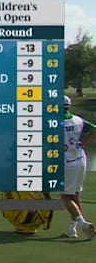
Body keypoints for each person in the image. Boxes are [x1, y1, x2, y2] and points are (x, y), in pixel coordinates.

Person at [61, 94, 96, 239]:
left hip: (65, 162)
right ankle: (72, 229)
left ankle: (83, 224)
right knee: (76, 194)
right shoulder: (78, 120)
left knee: (65, 196)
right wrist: (83, 142)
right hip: (80, 159)